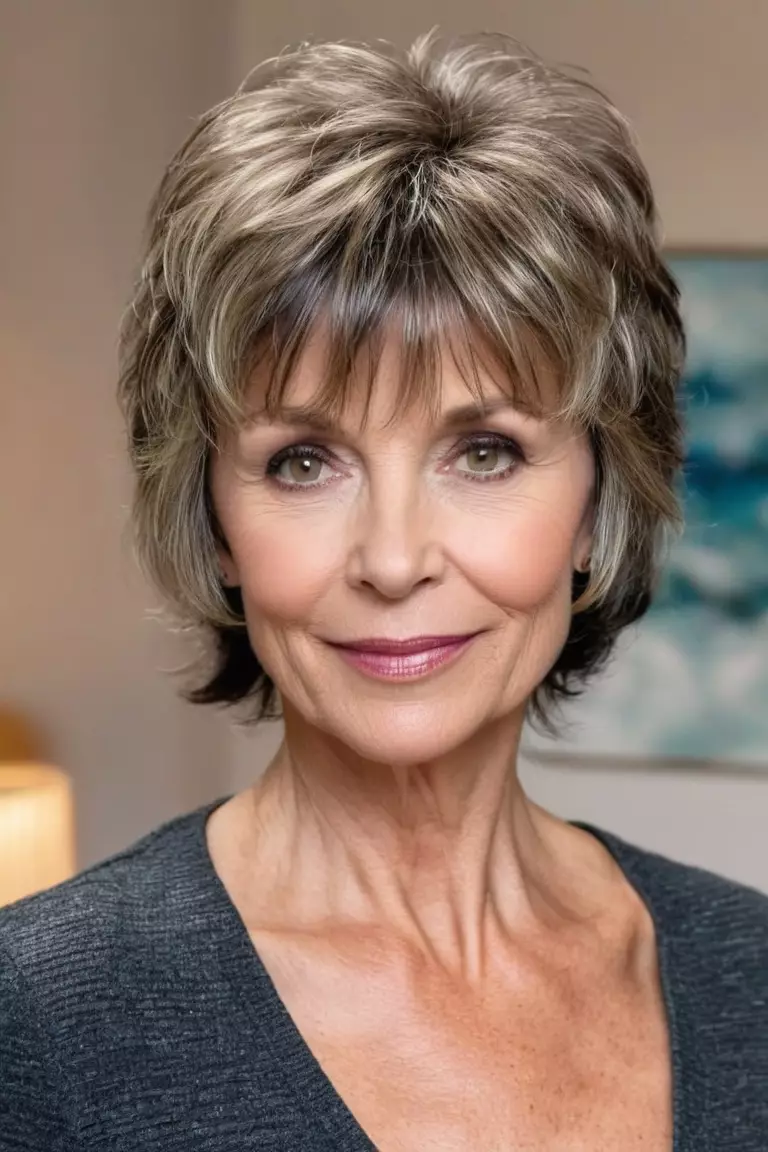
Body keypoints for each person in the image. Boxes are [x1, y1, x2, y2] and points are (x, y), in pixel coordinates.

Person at [1, 29, 766, 1152]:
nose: (395, 560)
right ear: (214, 519)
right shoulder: (39, 1024)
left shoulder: (751, 974)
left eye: (485, 453)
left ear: (600, 498)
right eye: (303, 462)